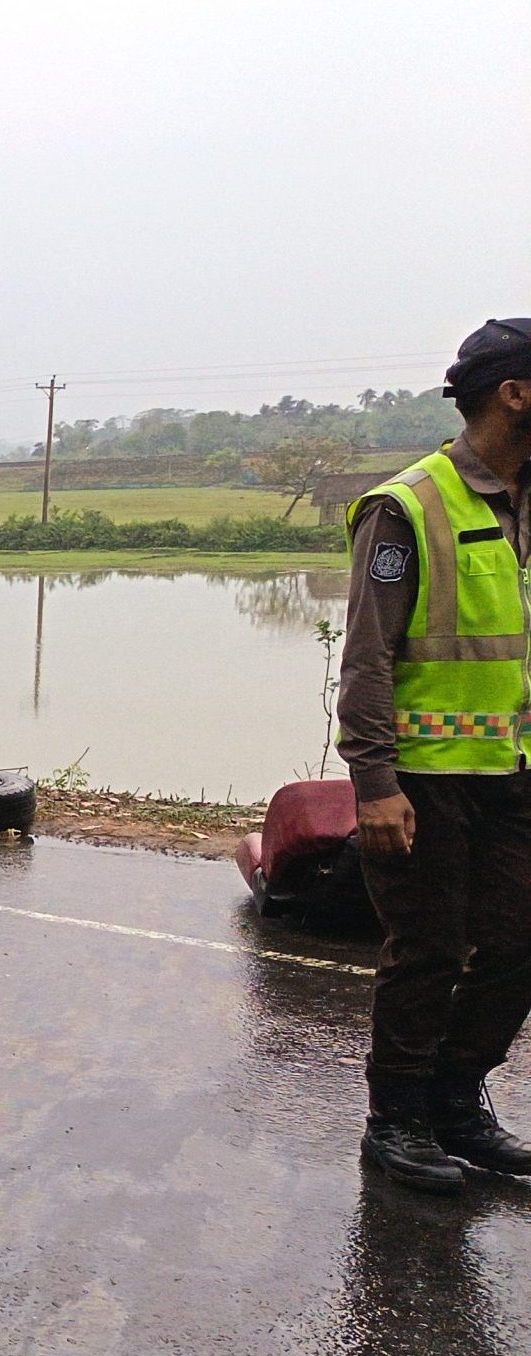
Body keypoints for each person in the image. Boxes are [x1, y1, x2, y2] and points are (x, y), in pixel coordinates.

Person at [335, 317, 531, 1195]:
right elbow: (368, 658)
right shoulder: (407, 505)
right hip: (423, 778)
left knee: (518, 946)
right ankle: (397, 1122)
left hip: (515, 778)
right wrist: (374, 783)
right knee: (429, 950)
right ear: (513, 394)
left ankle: (456, 1104)